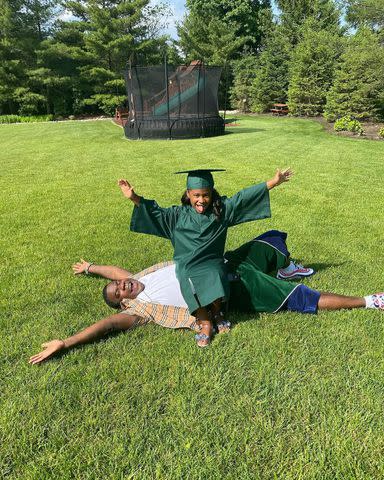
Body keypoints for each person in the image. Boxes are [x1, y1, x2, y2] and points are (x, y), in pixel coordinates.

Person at [29, 231, 384, 365]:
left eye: (121, 284)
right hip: (231, 287)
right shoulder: (140, 309)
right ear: (125, 304)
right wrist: (66, 341)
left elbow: (113, 271)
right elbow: (106, 324)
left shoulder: (138, 278)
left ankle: (283, 267)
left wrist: (91, 267)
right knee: (301, 298)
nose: (124, 286)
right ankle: (370, 301)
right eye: (120, 292)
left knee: (270, 240)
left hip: (225, 261)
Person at [118, 168, 293, 347]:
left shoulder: (220, 211)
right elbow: (155, 212)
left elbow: (242, 198)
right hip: (186, 264)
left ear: (212, 193)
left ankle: (217, 313)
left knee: (216, 273)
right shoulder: (176, 216)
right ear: (188, 194)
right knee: (186, 275)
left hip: (212, 261)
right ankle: (205, 322)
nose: (201, 200)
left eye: (206, 195)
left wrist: (273, 182)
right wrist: (134, 197)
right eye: (196, 195)